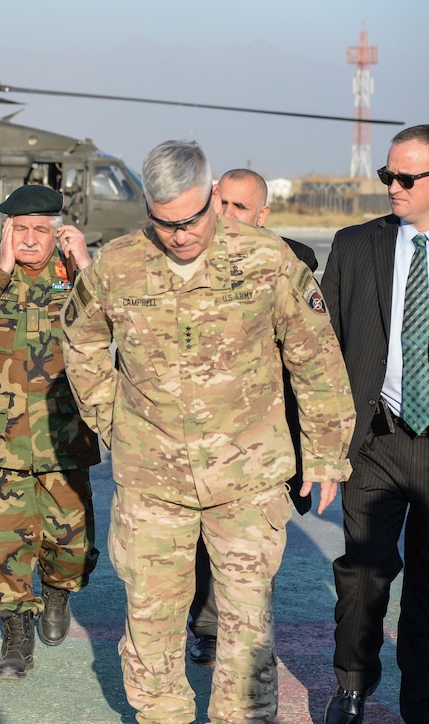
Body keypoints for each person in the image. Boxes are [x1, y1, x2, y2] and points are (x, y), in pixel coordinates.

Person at [61, 139, 355, 722]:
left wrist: (326, 456)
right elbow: (81, 339)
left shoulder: (268, 260)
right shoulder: (118, 265)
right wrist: (110, 418)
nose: (180, 234)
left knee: (246, 633)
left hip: (247, 478)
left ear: (213, 196)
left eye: (193, 218)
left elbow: (316, 358)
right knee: (151, 627)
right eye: (165, 222)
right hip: (151, 482)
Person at [0, 185, 100, 680]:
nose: (32, 240)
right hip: (1, 441)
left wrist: (83, 264)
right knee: (2, 543)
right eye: (21, 229)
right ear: (6, 231)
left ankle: (58, 589)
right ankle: (15, 629)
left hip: (65, 438)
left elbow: (118, 325)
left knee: (72, 542)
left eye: (42, 229)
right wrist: (0, 268)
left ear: (58, 232)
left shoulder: (79, 279)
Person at [186, 168, 319, 666]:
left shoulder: (292, 260)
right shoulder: (184, 254)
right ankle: (208, 627)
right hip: (197, 430)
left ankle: (241, 625)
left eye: (239, 207)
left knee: (254, 541)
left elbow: (311, 352)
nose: (225, 215)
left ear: (263, 216)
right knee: (199, 539)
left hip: (263, 432)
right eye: (220, 202)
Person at [321, 124, 429, 724]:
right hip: (377, 439)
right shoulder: (356, 245)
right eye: (388, 174)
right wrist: (321, 448)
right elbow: (322, 350)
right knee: (362, 577)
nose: (392, 186)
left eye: (406, 177)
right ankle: (352, 689)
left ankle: (420, 701)